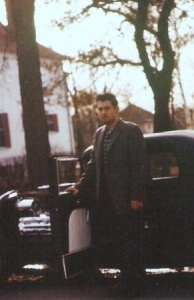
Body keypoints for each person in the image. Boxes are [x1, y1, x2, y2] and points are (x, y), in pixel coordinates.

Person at [67, 93, 148, 294]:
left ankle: (133, 286)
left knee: (131, 242)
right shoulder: (99, 134)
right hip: (105, 201)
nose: (103, 112)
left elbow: (140, 165)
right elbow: (93, 165)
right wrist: (80, 186)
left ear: (116, 109)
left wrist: (136, 195)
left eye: (107, 108)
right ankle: (128, 282)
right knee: (117, 242)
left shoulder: (130, 130)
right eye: (100, 109)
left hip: (127, 199)